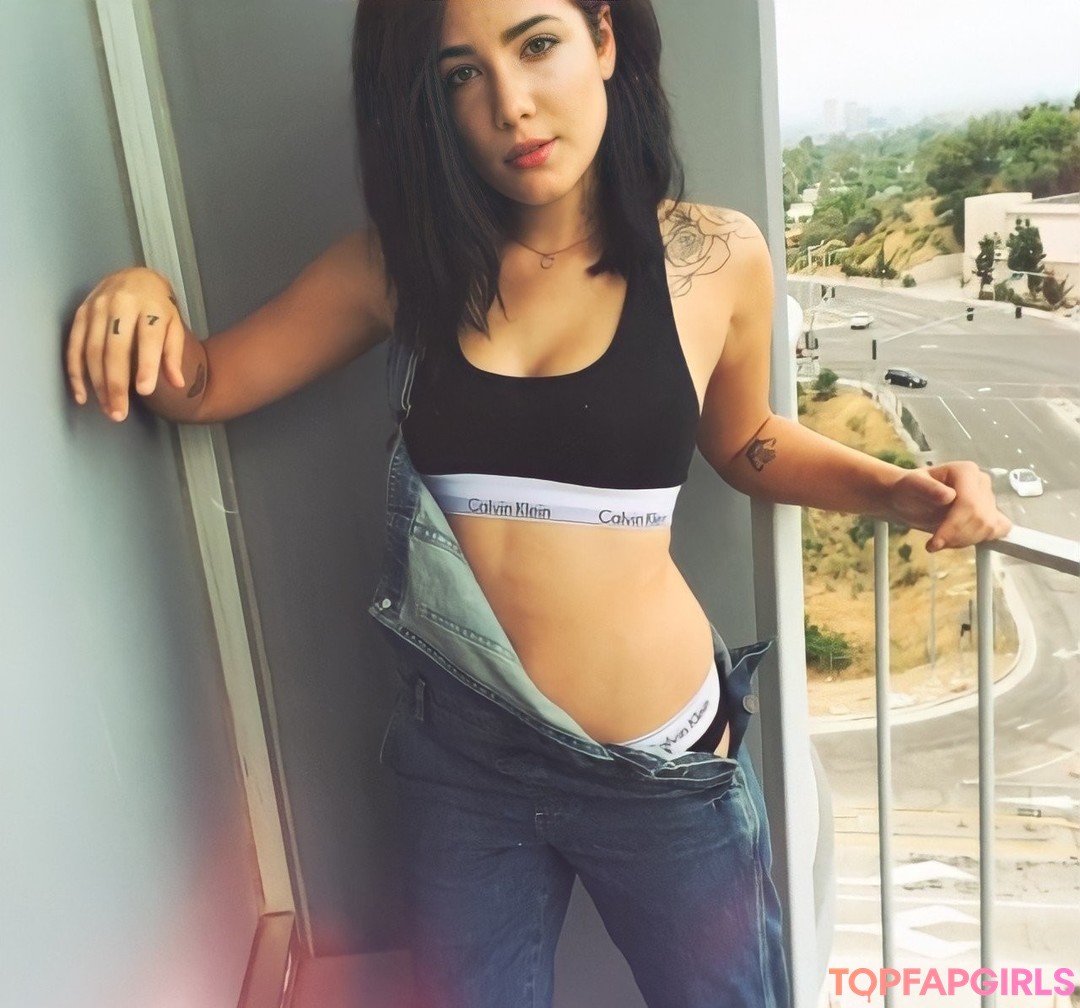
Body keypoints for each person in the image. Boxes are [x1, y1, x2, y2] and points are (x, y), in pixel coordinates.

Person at [65, 1, 1011, 1005]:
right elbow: (205, 384)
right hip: (464, 769)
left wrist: (899, 490)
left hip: (661, 770)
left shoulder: (712, 256)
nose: (510, 104)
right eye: (461, 74)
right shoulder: (402, 269)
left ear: (603, 39)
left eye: (538, 44)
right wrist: (141, 292)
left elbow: (743, 439)